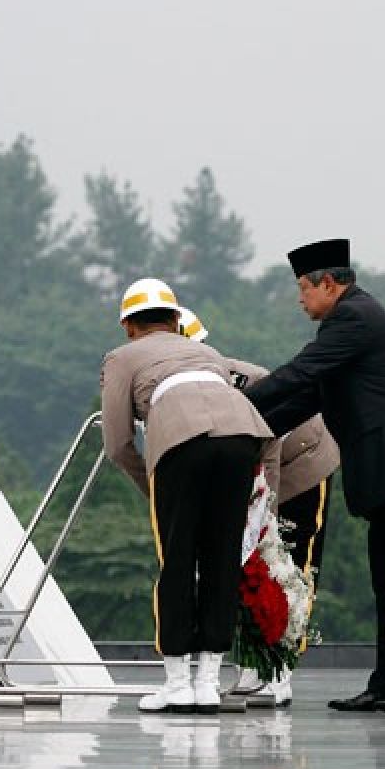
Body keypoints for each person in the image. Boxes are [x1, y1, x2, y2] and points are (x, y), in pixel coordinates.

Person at [243, 238, 385, 714]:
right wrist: (244, 428)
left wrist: (236, 402)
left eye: (303, 288)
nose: (300, 298)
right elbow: (307, 399)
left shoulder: (354, 317)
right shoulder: (344, 331)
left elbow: (302, 373)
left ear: (328, 284)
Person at [100, 277, 274, 714]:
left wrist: (152, 488)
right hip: (240, 437)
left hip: (181, 443)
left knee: (178, 559)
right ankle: (209, 682)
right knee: (221, 557)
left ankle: (177, 682)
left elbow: (118, 444)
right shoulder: (207, 353)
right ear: (177, 321)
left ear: (128, 326)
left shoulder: (122, 357)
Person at [178, 310, 341, 707]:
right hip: (246, 478)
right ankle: (252, 662)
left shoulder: (238, 381)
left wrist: (261, 514)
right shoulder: (171, 388)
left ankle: (279, 669)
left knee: (289, 565)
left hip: (301, 463)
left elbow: (271, 445)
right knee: (242, 568)